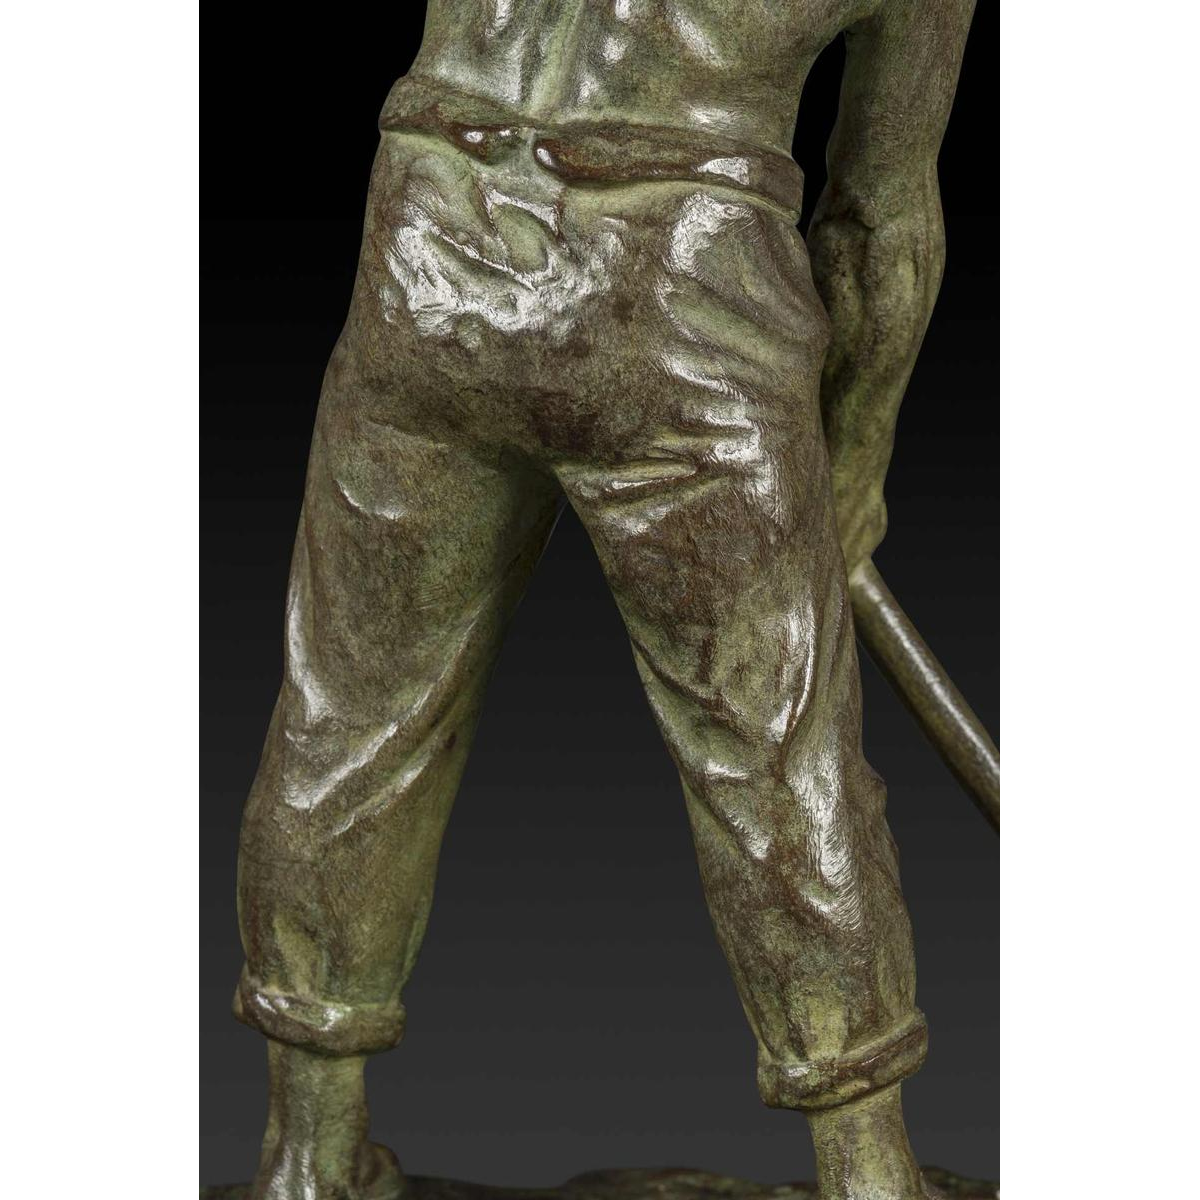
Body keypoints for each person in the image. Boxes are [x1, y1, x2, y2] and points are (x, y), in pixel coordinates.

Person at [231, 3, 976, 1197]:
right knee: (773, 755)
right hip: (678, 285)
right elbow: (880, 222)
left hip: (430, 243)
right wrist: (858, 462)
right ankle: (867, 1173)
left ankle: (308, 1157)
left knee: (349, 720)